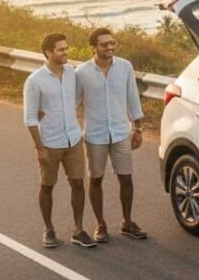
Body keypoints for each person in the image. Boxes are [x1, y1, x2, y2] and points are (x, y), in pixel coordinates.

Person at [23, 33, 96, 249]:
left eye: (66, 48)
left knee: (78, 184)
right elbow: (29, 118)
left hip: (73, 138)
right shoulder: (35, 80)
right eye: (61, 49)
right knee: (47, 186)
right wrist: (39, 148)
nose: (66, 52)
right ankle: (49, 229)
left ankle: (78, 230)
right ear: (48, 52)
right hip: (50, 143)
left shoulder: (73, 74)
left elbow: (76, 100)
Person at [76, 27, 146, 242]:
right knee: (96, 179)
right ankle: (101, 224)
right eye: (105, 44)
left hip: (120, 132)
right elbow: (73, 103)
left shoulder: (125, 67)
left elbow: (133, 98)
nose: (110, 47)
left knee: (126, 178)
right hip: (95, 134)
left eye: (112, 43)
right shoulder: (81, 72)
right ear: (93, 48)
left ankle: (127, 222)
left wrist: (138, 128)